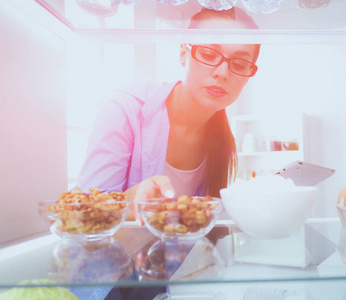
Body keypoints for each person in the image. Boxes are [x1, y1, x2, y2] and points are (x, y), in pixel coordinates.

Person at [75, 7, 261, 224]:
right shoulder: (124, 108)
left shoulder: (222, 138)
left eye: (239, 64)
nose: (222, 73)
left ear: (248, 76)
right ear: (184, 54)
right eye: (209, 54)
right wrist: (131, 201)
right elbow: (83, 216)